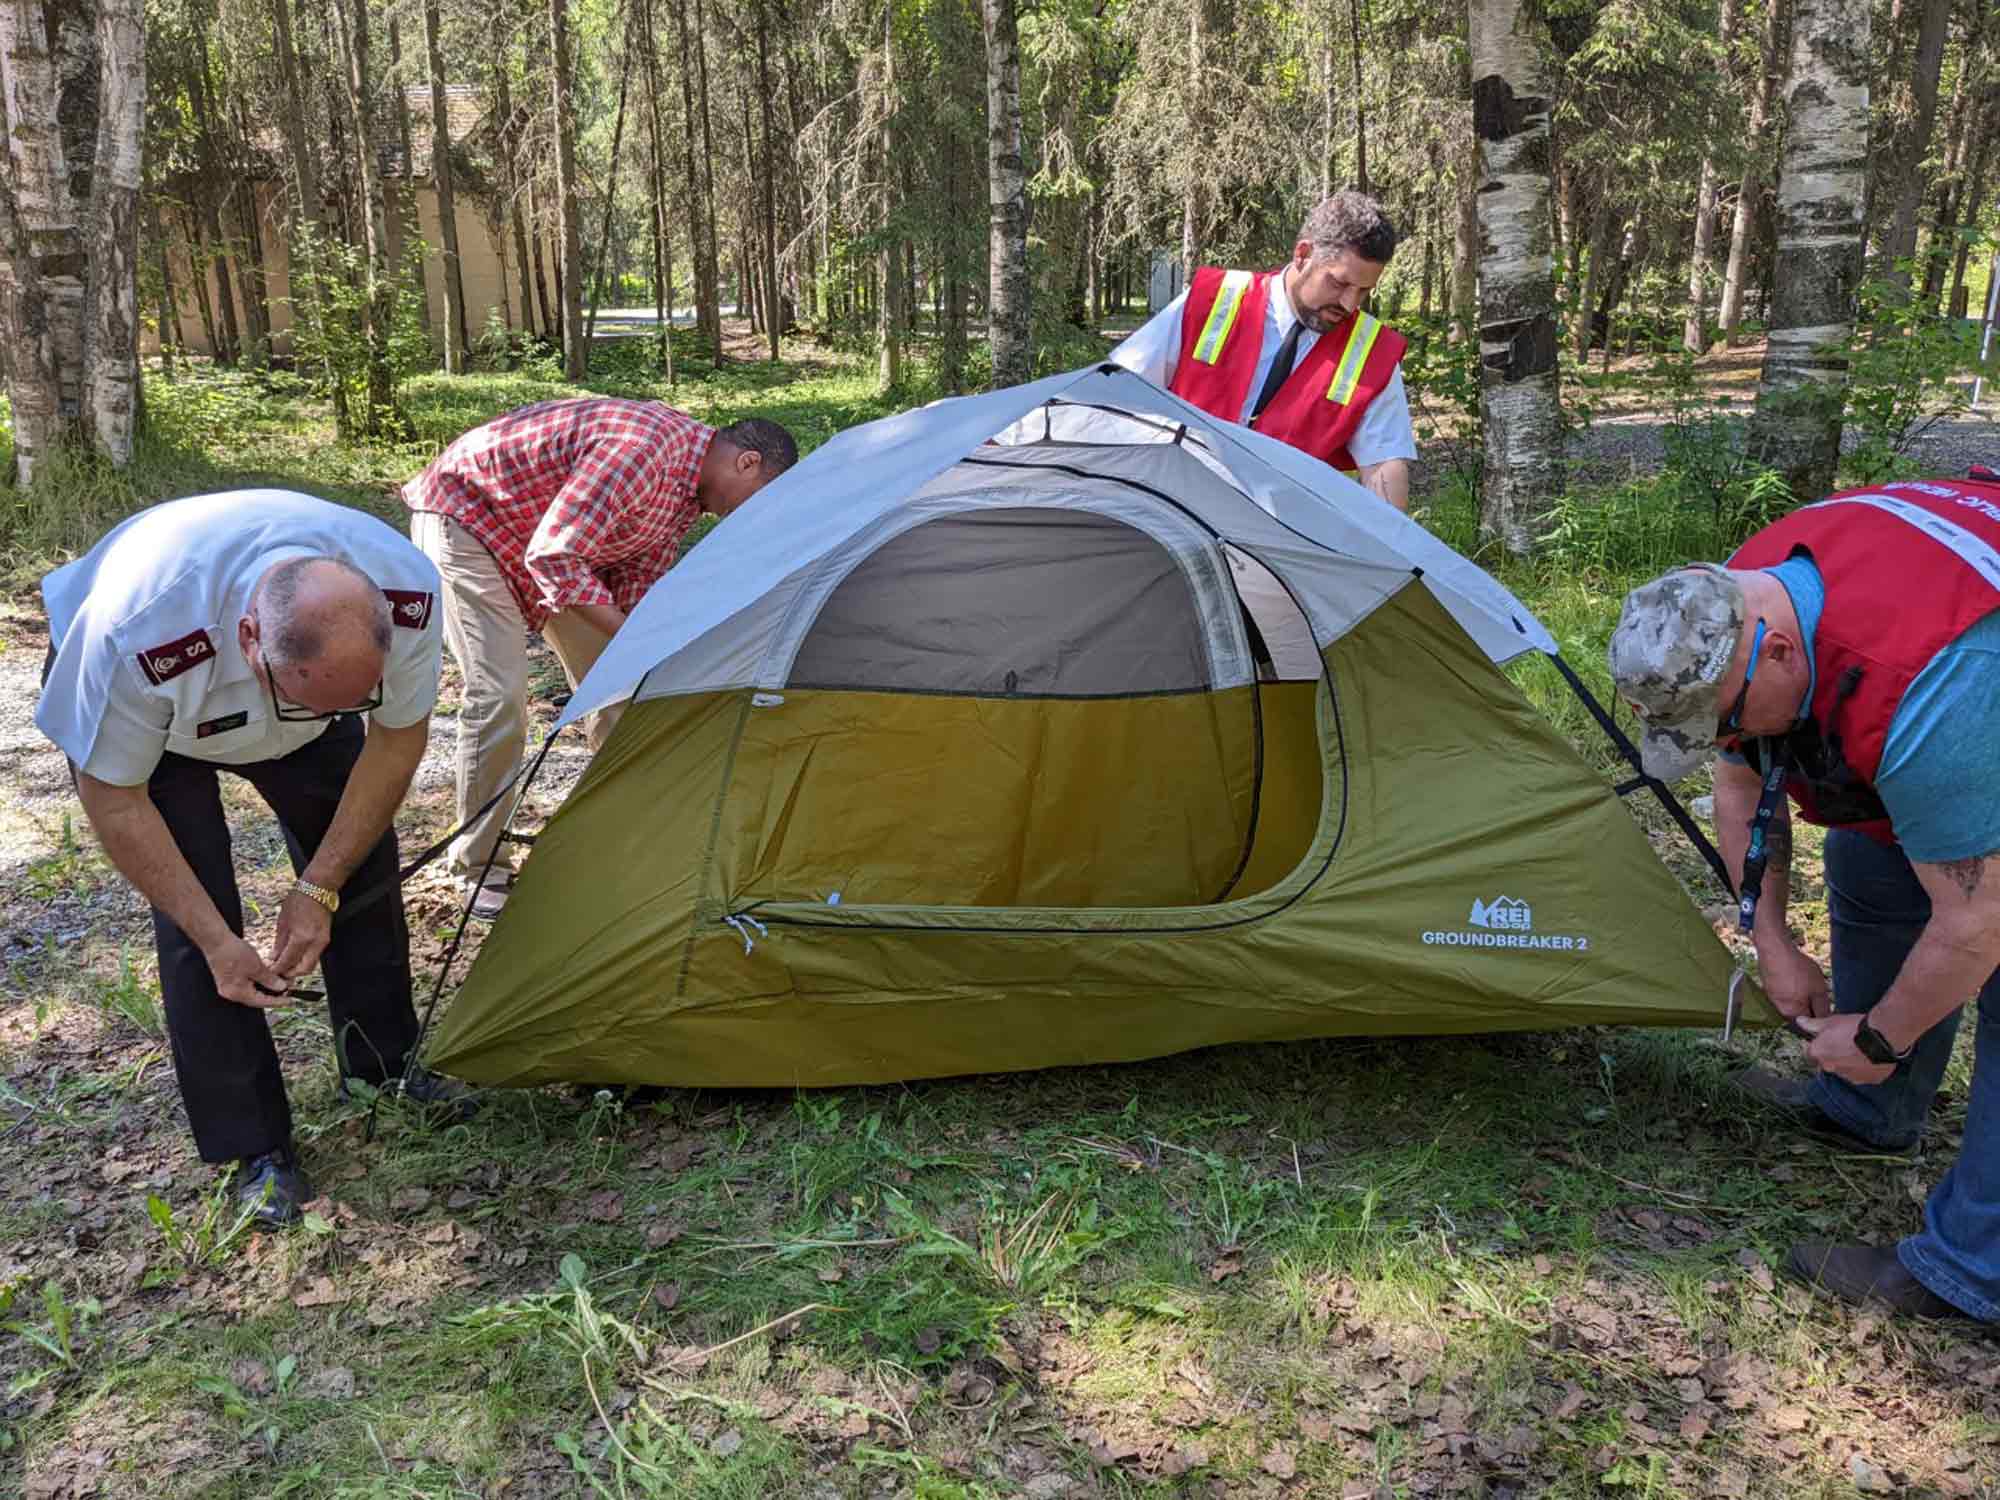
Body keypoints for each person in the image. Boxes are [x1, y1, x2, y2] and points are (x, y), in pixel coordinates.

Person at [1608, 472, 2000, 1324]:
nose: (1723, 741)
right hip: (1955, 715)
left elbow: (1977, 922)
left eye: (1725, 718)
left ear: (1780, 654)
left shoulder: (1928, 682)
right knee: (1871, 861)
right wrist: (1772, 939)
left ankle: (1976, 1270)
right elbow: (1742, 780)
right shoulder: (1736, 594)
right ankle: (1870, 1107)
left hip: (1973, 674)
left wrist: (1881, 1034)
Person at [35, 490, 464, 1226]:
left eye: (351, 702)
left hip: (305, 680)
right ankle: (255, 1148)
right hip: (162, 728)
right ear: (248, 640)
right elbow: (114, 797)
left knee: (359, 865)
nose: (336, 722)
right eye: (314, 704)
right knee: (201, 922)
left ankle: (383, 1064)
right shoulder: (134, 632)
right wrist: (215, 939)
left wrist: (318, 884)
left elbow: (396, 740)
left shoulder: (405, 591)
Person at [402, 398, 798, 919]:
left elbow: (634, 578)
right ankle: (478, 866)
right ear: (746, 461)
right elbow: (555, 555)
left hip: (546, 550)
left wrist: (649, 650)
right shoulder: (645, 453)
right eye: (760, 499)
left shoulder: (688, 496)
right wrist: (632, 634)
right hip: (471, 521)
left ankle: (618, 841)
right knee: (500, 696)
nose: (749, 515)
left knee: (622, 690)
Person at [1110, 189, 1415, 510]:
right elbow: (1120, 390)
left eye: (1363, 291)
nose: (1349, 304)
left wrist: (1386, 549)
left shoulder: (1371, 352)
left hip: (1277, 534)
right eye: (1338, 284)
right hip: (1173, 507)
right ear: (1302, 254)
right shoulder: (1213, 300)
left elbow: (1384, 463)